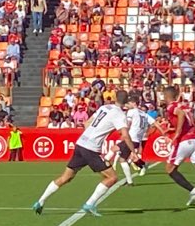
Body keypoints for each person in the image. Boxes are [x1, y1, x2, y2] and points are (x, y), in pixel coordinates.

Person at [32, 89, 135, 217]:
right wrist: (133, 151)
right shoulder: (119, 114)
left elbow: (87, 123)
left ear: (115, 98)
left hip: (81, 143)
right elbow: (125, 135)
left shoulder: (104, 107)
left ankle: (40, 202)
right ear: (126, 101)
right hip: (90, 148)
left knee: (66, 177)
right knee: (112, 178)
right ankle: (90, 204)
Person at [116, 99, 151, 185]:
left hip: (131, 138)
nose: (127, 104)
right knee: (118, 151)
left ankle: (130, 181)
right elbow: (152, 123)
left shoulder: (132, 112)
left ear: (134, 103)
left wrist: (124, 133)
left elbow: (128, 124)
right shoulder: (143, 113)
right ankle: (142, 164)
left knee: (122, 159)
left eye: (129, 103)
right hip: (137, 139)